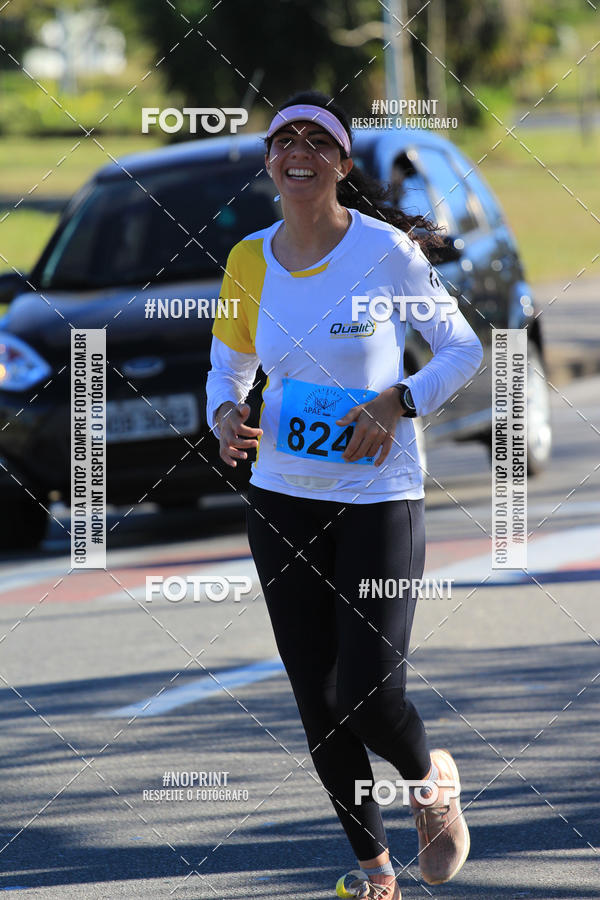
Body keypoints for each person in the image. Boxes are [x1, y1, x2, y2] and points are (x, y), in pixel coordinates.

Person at [206, 90, 482, 899]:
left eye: (316, 141)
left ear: (341, 162)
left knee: (369, 693)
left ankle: (431, 783)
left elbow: (461, 348)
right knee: (318, 699)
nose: (298, 152)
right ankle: (376, 875)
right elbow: (228, 368)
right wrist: (224, 414)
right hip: (281, 498)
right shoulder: (248, 259)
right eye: (283, 140)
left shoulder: (386, 252)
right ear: (269, 161)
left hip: (381, 499)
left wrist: (398, 400)